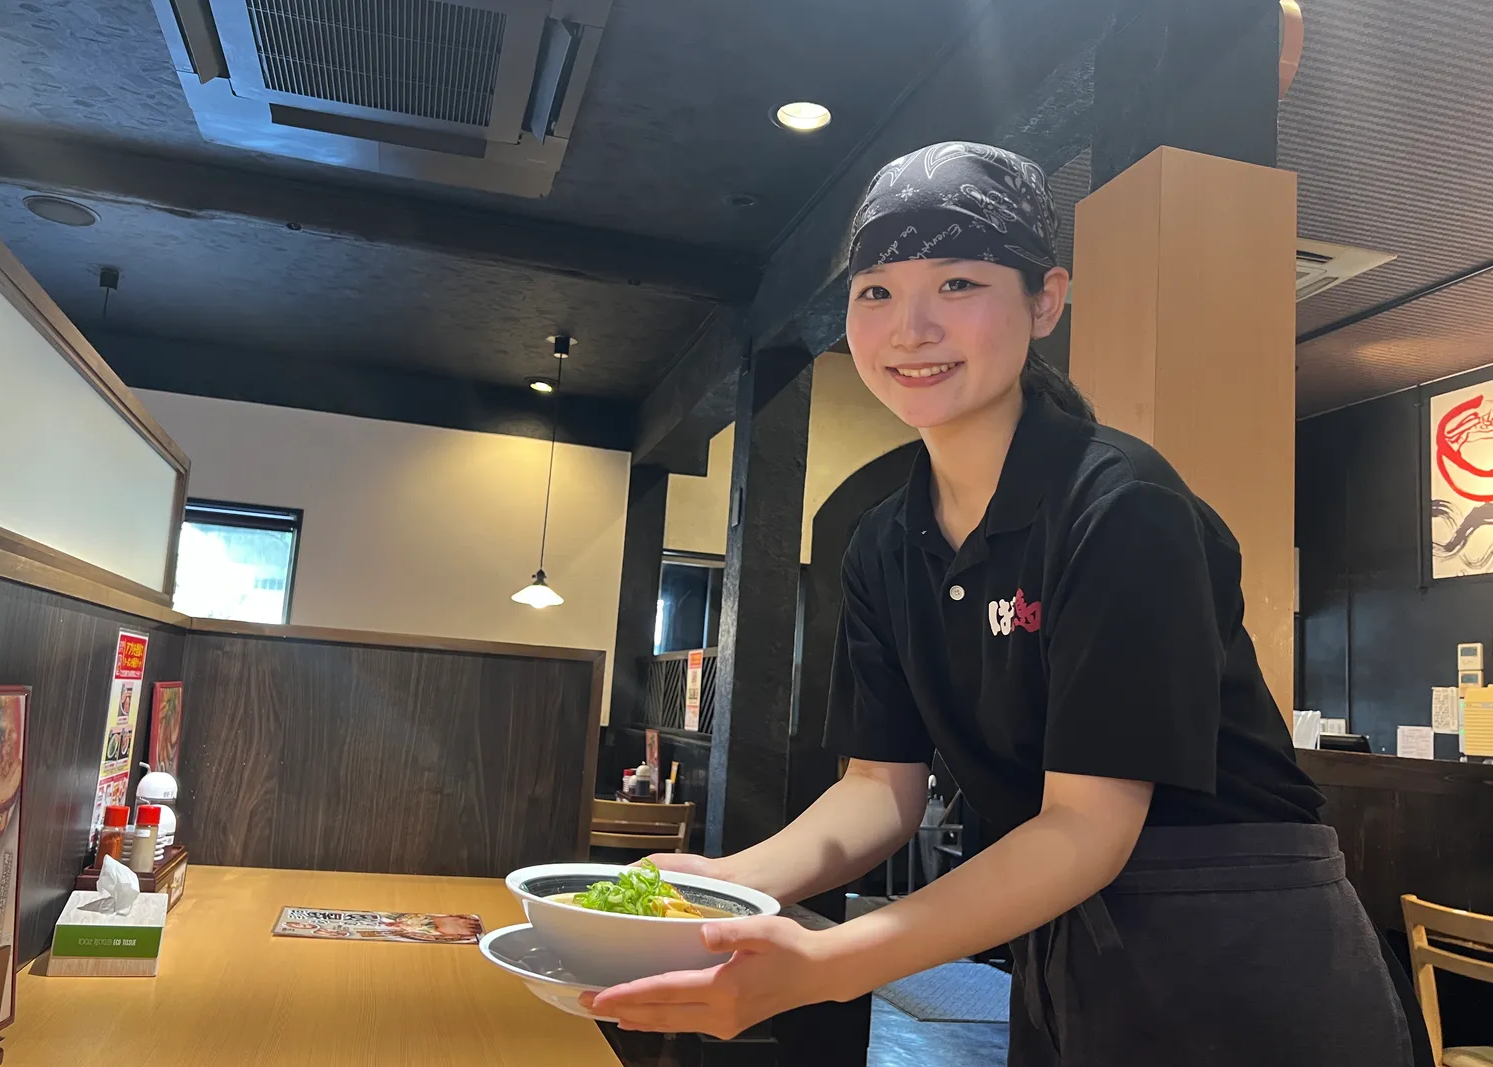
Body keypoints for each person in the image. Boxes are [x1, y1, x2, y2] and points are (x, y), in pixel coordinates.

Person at [584, 142, 1416, 1066]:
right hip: (1064, 937)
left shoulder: (1121, 506)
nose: (911, 329)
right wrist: (720, 884)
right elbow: (879, 788)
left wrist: (828, 964)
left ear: (1045, 300)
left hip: (1244, 947)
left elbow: (1087, 824)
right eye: (876, 292)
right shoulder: (882, 542)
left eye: (958, 284)